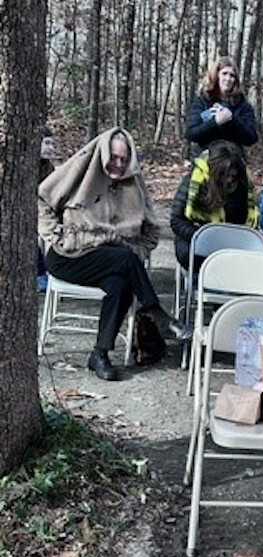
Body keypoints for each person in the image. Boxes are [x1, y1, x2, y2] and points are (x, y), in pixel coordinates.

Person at [38, 127, 192, 381]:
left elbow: (152, 228)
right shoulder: (80, 172)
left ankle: (99, 354)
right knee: (126, 261)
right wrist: (54, 234)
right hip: (69, 255)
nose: (118, 165)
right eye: (114, 158)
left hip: (111, 260)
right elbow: (43, 199)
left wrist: (140, 249)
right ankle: (159, 316)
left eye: (123, 159)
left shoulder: (134, 183)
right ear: (102, 154)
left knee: (121, 282)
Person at [170, 140, 260, 271]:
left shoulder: (243, 184)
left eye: (232, 176)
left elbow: (245, 221)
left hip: (232, 241)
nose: (229, 180)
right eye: (224, 175)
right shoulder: (194, 181)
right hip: (195, 238)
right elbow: (177, 220)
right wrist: (205, 237)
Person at [185, 56, 258, 152]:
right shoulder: (202, 101)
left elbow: (251, 138)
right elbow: (191, 134)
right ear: (217, 75)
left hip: (233, 159)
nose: (228, 79)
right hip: (205, 157)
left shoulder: (242, 105)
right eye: (224, 74)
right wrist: (215, 122)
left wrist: (231, 120)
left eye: (232, 75)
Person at [37, 127, 58, 293]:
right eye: (47, 143)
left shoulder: (48, 168)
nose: (51, 148)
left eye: (53, 144)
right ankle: (40, 274)